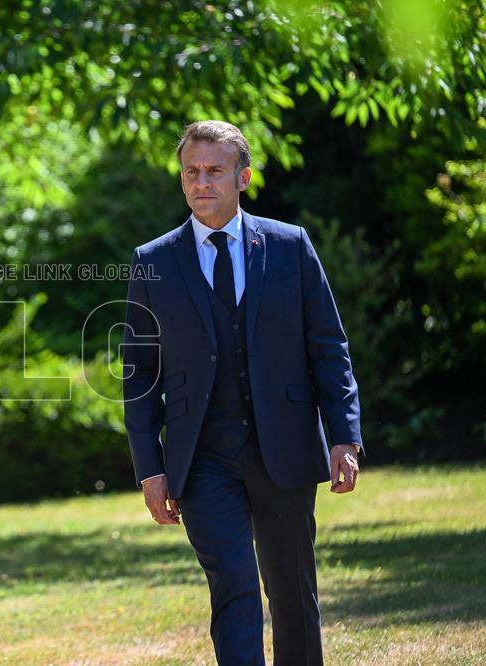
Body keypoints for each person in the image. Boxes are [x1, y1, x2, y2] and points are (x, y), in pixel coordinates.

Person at [122, 120, 363, 665]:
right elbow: (138, 373)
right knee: (233, 587)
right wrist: (150, 467)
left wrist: (345, 436)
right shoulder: (152, 262)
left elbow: (329, 347)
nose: (201, 181)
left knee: (293, 593)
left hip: (286, 447)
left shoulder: (289, 246)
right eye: (191, 171)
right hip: (202, 459)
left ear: (243, 176)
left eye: (214, 170)